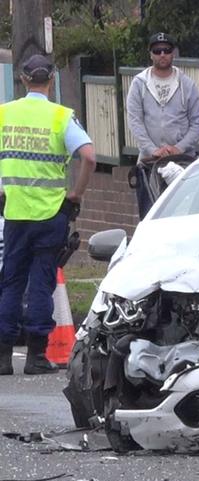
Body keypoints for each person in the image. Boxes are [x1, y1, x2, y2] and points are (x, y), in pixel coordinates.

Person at [0, 54, 96, 375]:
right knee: (42, 282)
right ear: (51, 79)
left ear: (24, 80)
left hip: (14, 212)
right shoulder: (61, 117)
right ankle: (37, 357)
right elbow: (89, 157)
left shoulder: (5, 114)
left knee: (11, 282)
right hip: (51, 213)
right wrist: (75, 195)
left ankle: (2, 358)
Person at [126, 32, 199, 219]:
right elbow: (135, 121)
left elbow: (198, 121)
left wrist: (179, 148)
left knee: (185, 216)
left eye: (167, 50)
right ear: (151, 54)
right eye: (157, 50)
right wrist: (152, 149)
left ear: (173, 53)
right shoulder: (139, 84)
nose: (162, 54)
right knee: (149, 216)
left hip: (183, 162)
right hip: (149, 164)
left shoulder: (187, 84)